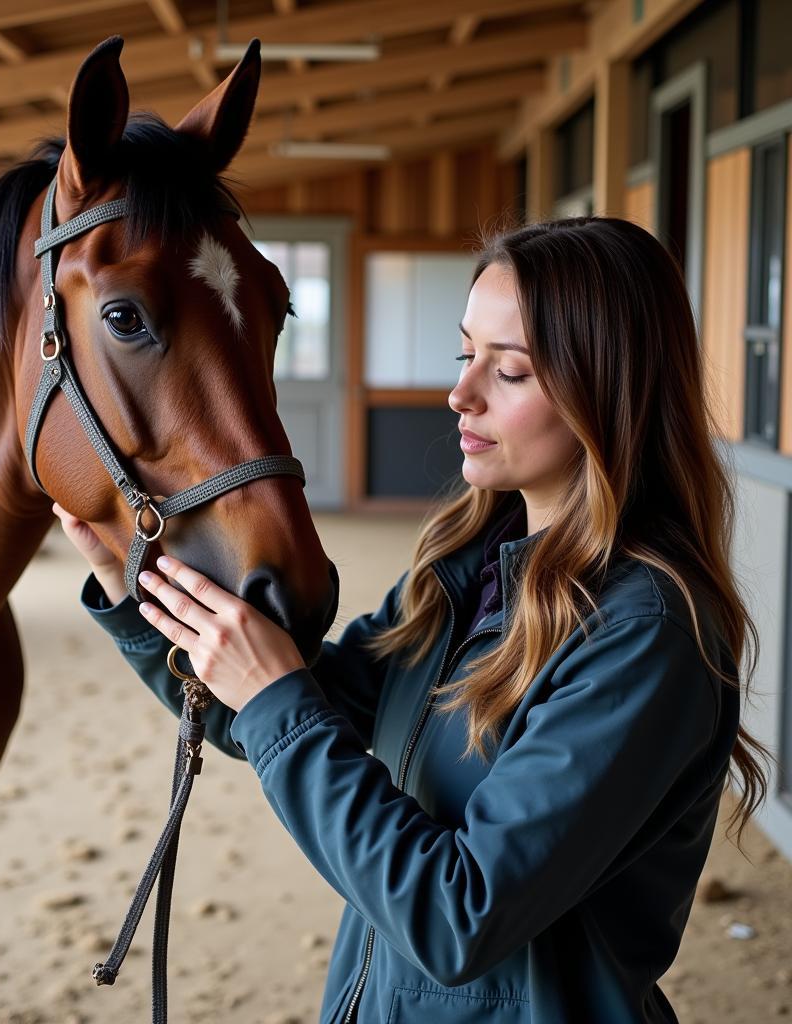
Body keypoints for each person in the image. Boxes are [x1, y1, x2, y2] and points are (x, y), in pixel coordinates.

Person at [53, 216, 770, 1023]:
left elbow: (460, 917)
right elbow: (266, 710)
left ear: (610, 390)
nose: (460, 393)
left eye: (512, 372)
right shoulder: (465, 570)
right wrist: (136, 595)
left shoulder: (646, 634)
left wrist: (277, 697)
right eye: (467, 355)